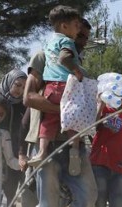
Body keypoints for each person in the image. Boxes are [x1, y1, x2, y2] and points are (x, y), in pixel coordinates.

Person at [23, 18, 96, 207]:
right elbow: (29, 97)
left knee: (88, 198)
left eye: (85, 37)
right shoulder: (44, 56)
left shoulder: (77, 66)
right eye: (80, 36)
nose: (82, 41)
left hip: (74, 144)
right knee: (48, 203)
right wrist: (66, 112)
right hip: (49, 143)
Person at [27, 5, 84, 176]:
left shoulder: (48, 43)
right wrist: (76, 70)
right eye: (76, 25)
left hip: (50, 88)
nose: (78, 30)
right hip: (66, 86)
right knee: (74, 118)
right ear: (64, 26)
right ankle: (74, 148)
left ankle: (42, 151)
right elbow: (64, 57)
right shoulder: (67, 41)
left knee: (49, 120)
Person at [0, 69, 32, 207]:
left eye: (24, 87)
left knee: (11, 189)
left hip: (16, 153)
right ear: (8, 82)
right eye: (17, 85)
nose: (19, 90)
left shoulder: (25, 105)